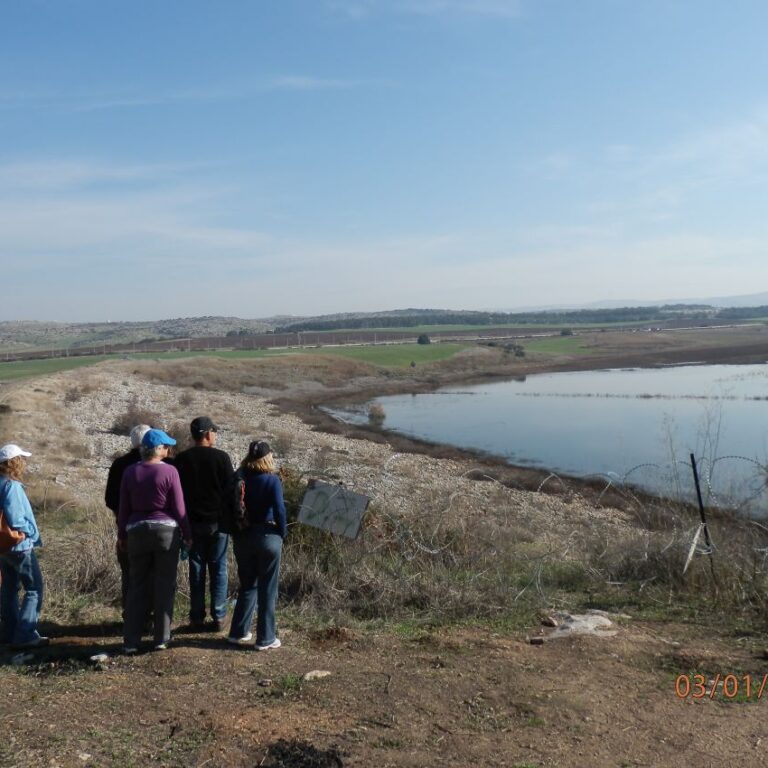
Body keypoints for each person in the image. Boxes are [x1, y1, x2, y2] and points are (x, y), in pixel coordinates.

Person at [118, 429, 192, 653]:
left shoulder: (130, 472)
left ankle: (131, 640)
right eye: (166, 446)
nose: (169, 450)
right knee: (164, 584)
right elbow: (179, 508)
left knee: (137, 585)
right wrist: (187, 534)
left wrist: (122, 535)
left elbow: (124, 508)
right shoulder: (170, 472)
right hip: (165, 532)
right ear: (158, 449)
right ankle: (161, 637)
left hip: (137, 531)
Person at [173, 416, 234, 631]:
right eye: (214, 431)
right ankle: (219, 616)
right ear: (208, 434)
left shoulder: (181, 459)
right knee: (219, 569)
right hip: (218, 523)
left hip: (191, 523)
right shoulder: (221, 458)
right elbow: (231, 491)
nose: (215, 434)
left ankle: (197, 616)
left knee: (196, 568)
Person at [228, 441, 286, 651]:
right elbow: (279, 511)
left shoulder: (240, 478)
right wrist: (282, 534)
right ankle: (266, 638)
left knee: (247, 586)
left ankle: (238, 632)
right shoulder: (272, 481)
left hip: (243, 536)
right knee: (268, 589)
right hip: (268, 535)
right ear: (267, 458)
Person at [0, 443, 47, 648]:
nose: (24, 463)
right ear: (14, 462)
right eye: (22, 459)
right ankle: (26, 634)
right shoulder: (11, 486)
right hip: (19, 545)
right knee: (34, 588)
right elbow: (17, 518)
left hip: (3, 546)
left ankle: (9, 632)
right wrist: (30, 532)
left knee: (9, 588)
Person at [105, 424, 151, 614]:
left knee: (129, 573)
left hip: (125, 525)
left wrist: (120, 514)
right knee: (150, 572)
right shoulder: (158, 464)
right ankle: (149, 615)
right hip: (153, 526)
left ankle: (130, 614)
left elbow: (110, 499)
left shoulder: (119, 464)